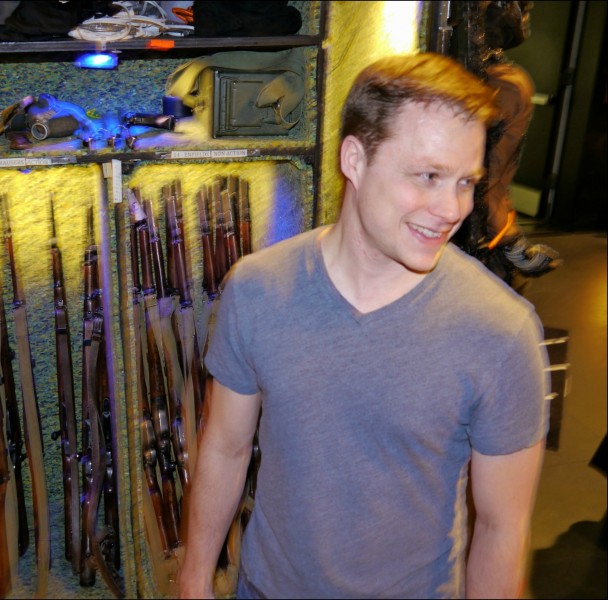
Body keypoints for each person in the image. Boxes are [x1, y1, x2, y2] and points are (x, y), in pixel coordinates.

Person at [178, 53, 549, 599]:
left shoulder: (501, 330)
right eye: (428, 176)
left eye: (466, 182)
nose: (453, 208)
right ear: (355, 158)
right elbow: (226, 447)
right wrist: (193, 576)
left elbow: (502, 527)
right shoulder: (257, 289)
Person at [456, 1, 560, 288]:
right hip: (476, 240)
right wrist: (510, 239)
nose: (526, 15)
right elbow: (486, 177)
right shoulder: (507, 84)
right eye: (523, 8)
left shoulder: (459, 72)